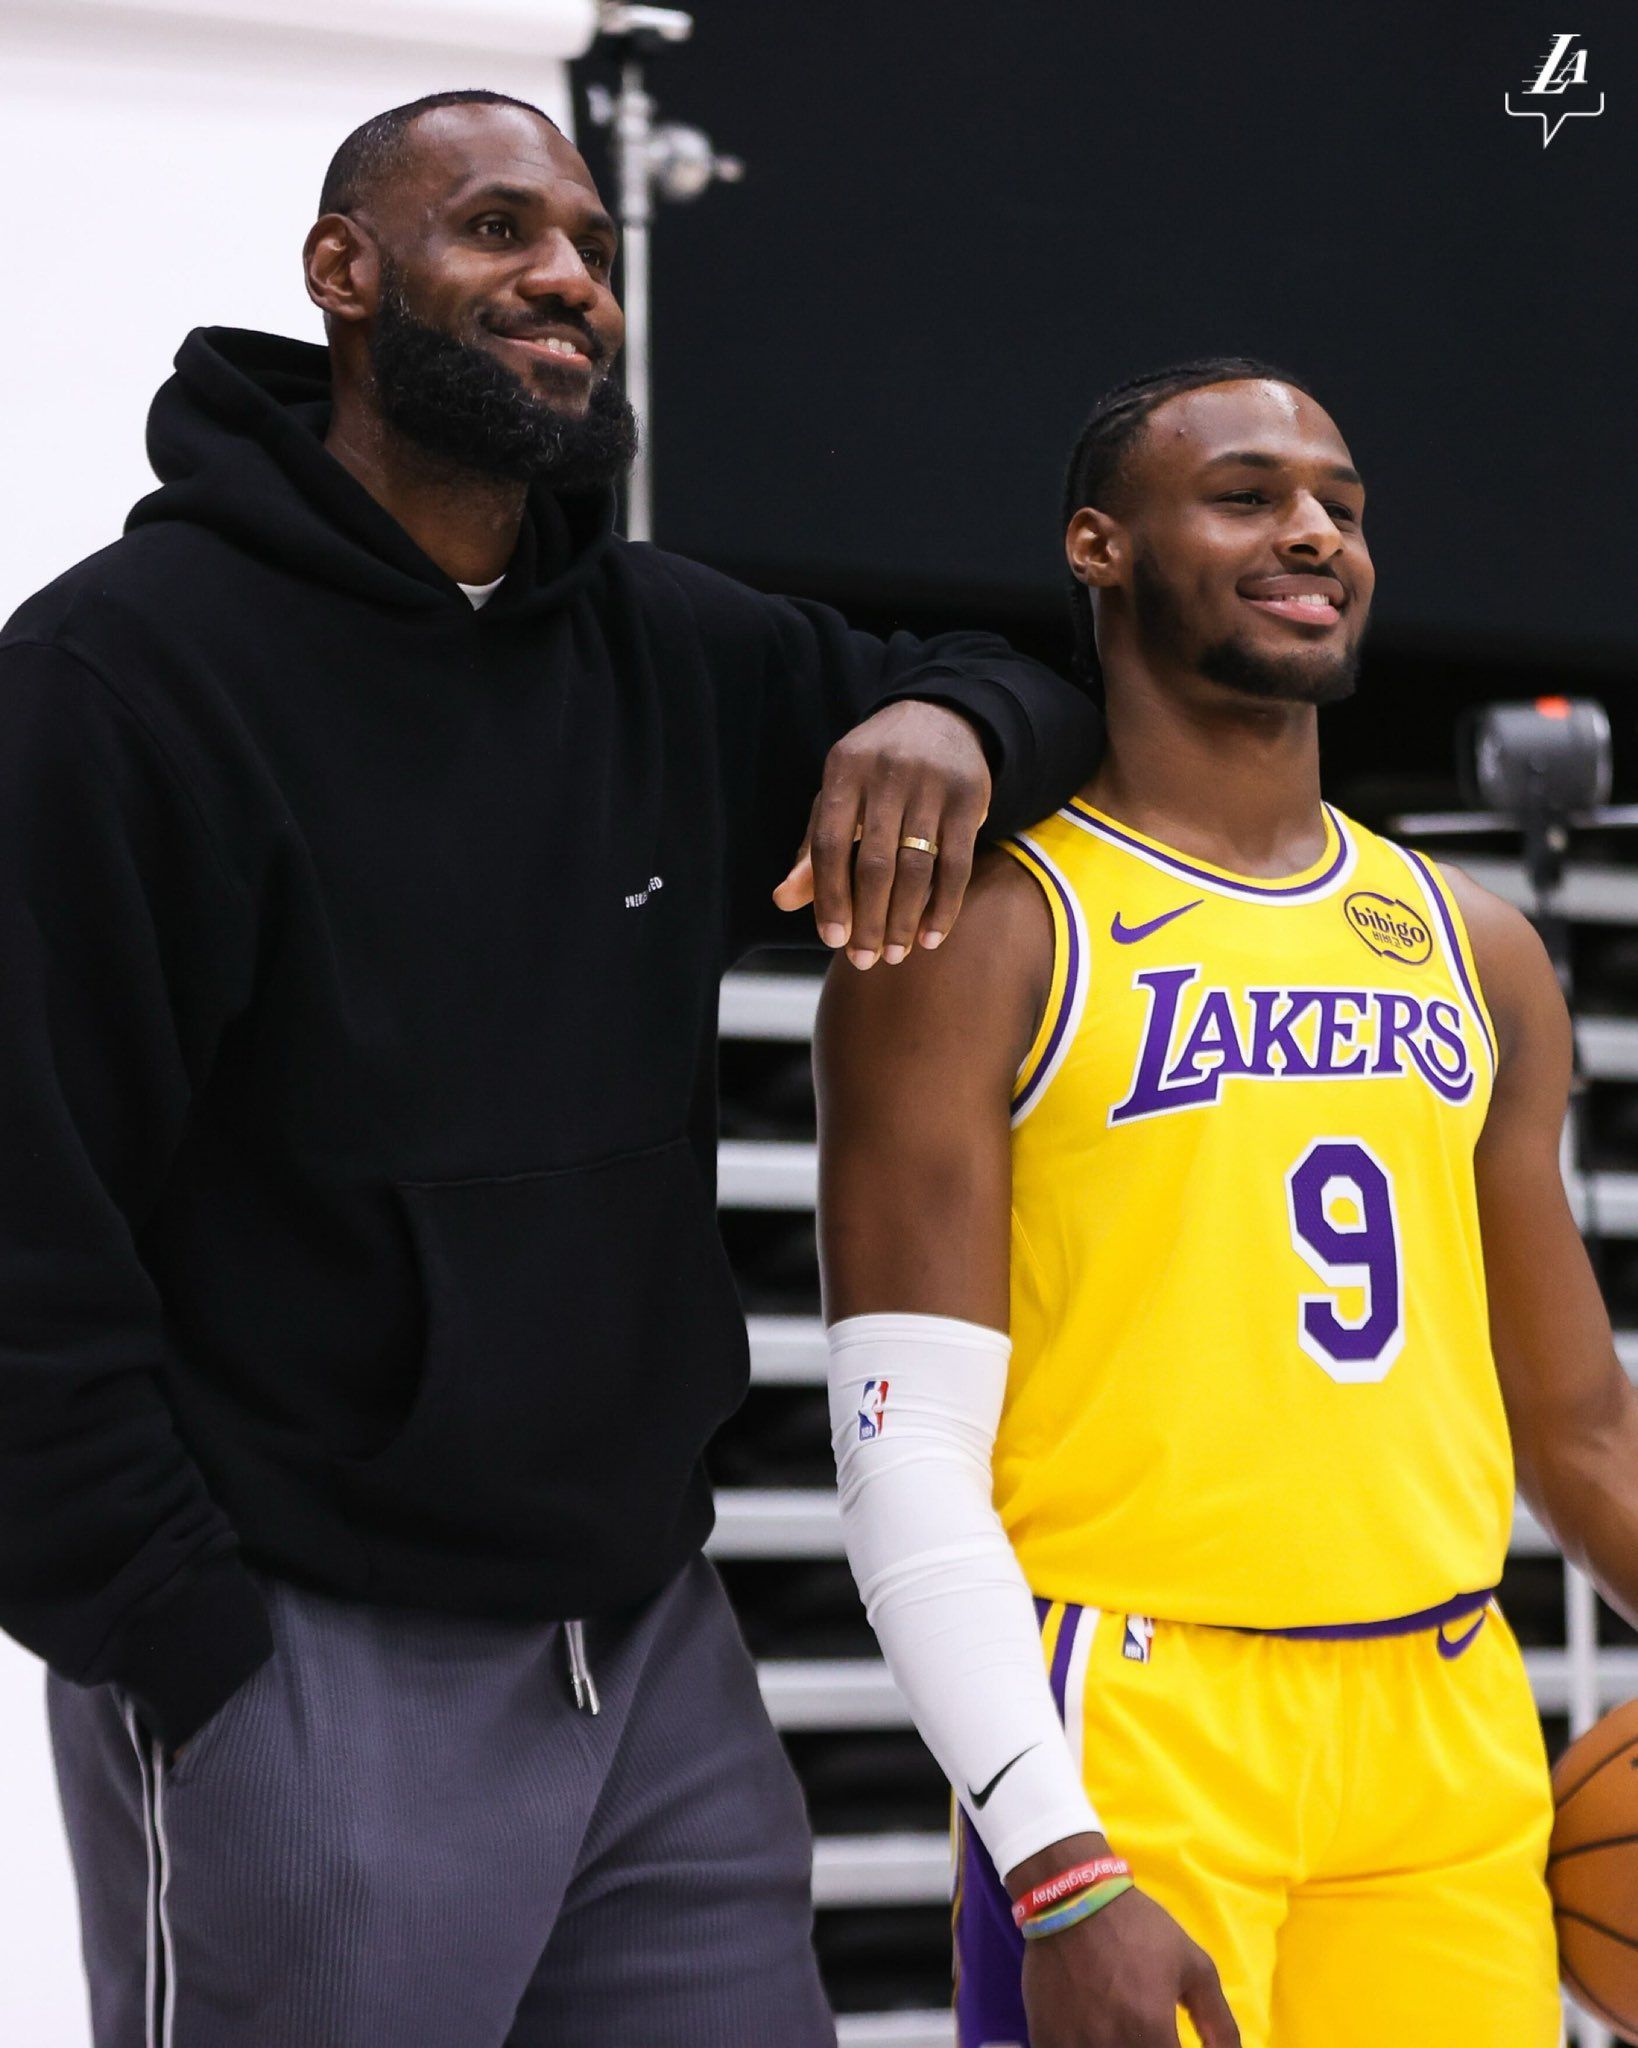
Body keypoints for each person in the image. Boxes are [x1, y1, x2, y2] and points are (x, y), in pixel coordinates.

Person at [0, 90, 1105, 2047]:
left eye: (588, 243)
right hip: (301, 1651)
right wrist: (175, 1639)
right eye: (499, 230)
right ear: (345, 271)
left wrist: (945, 715)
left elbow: (1053, 688)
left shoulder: (670, 647)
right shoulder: (118, 673)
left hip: (652, 1655)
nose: (569, 281)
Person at [815, 357, 1638, 2047]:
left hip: (1445, 1711)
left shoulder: (1477, 947)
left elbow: (1582, 1433)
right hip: (1132, 1714)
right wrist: (1053, 1862)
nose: (1314, 531)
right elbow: (903, 1455)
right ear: (1098, 547)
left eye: (1340, 503)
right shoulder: (986, 933)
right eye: (1248, 494)